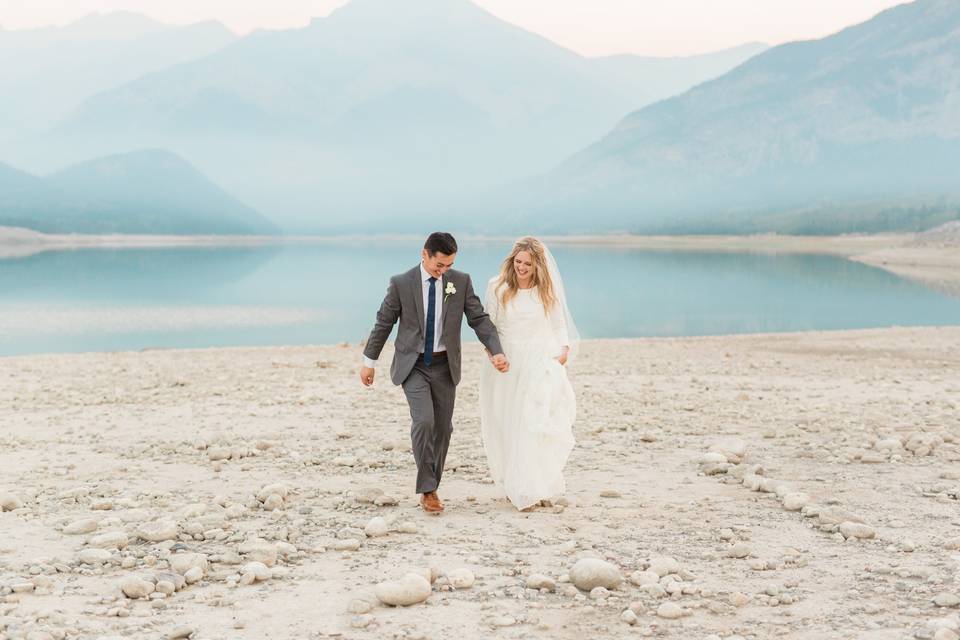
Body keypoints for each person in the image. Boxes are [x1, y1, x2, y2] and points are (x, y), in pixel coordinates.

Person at [360, 232, 509, 513]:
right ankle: (428, 490)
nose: (443, 271)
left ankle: (432, 482)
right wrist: (369, 361)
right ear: (424, 254)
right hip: (413, 364)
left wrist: (496, 350)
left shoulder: (460, 282)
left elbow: (479, 319)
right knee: (424, 421)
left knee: (443, 427)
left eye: (448, 265)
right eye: (439, 265)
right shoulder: (401, 283)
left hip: (444, 365)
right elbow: (384, 323)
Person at [479, 237, 577, 511]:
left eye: (528, 264)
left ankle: (538, 485)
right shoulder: (497, 287)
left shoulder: (547, 291)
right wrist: (494, 355)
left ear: (539, 266)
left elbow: (558, 326)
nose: (521, 268)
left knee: (535, 424)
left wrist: (563, 351)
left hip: (539, 361)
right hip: (506, 363)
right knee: (508, 423)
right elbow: (489, 328)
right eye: (518, 262)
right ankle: (517, 485)